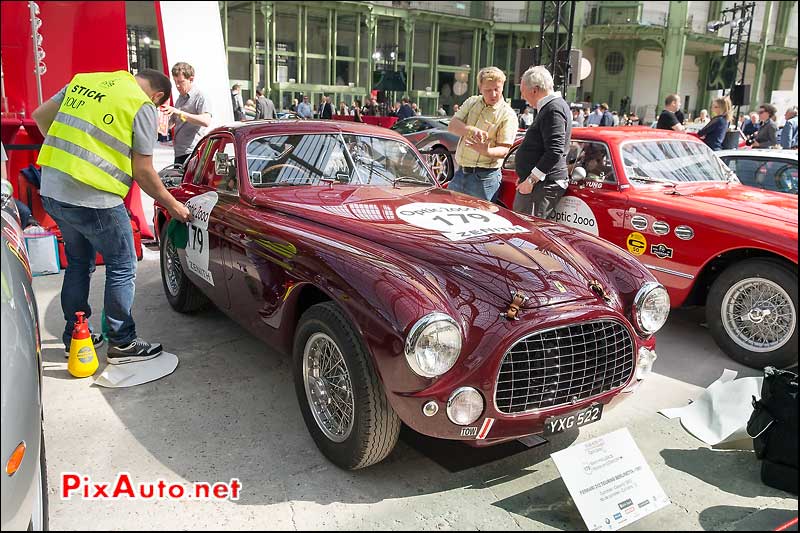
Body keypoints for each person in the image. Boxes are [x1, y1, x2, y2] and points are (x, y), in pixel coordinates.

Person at [31, 69, 191, 363]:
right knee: (122, 263)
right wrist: (173, 205)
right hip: (94, 198)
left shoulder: (84, 82)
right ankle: (123, 342)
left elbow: (41, 116)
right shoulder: (140, 105)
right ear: (157, 97)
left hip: (53, 190)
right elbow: (143, 171)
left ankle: (76, 335)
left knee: (79, 263)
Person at [447, 66, 517, 201]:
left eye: (497, 89)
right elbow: (452, 126)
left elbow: (504, 149)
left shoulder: (508, 114)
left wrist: (487, 151)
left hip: (485, 178)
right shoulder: (472, 102)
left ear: (502, 86)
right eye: (488, 90)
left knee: (480, 220)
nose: (493, 94)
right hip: (461, 172)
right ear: (480, 88)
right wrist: (472, 130)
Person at [513, 65, 572, 219]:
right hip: (539, 184)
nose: (523, 97)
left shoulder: (553, 109)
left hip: (542, 186)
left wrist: (531, 180)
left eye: (523, 91)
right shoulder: (553, 107)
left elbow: (554, 150)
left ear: (534, 90)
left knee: (529, 232)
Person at [162, 62, 212, 165]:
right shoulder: (180, 98)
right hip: (180, 152)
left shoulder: (200, 96)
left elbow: (206, 121)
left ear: (191, 79)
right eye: (175, 82)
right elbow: (172, 123)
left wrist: (179, 113)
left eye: (181, 82)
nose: (177, 85)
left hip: (193, 152)